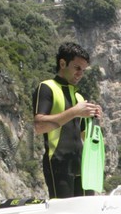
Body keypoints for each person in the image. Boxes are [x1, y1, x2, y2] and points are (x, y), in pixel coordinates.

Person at [33, 42, 104, 198]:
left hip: (83, 166)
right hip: (58, 164)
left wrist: (95, 121)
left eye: (83, 70)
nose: (80, 74)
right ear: (63, 63)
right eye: (77, 68)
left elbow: (85, 136)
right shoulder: (46, 87)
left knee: (87, 213)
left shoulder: (79, 97)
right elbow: (39, 125)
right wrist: (74, 112)